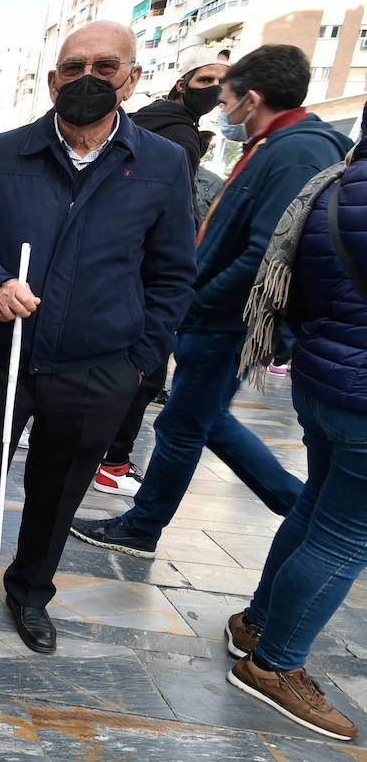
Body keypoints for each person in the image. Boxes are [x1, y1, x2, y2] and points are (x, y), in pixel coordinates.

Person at [0, 21, 196, 653]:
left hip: (98, 367)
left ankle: (31, 593)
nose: (87, 79)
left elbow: (172, 273)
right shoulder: (3, 155)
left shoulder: (161, 163)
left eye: (104, 67)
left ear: (132, 78)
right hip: (1, 356)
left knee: (58, 491)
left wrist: (138, 363)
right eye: (73, 68)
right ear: (52, 79)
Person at [72, 44, 354, 558]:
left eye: (226, 101)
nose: (222, 112)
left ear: (253, 98)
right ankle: (302, 509)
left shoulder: (299, 148)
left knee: (182, 425)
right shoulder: (276, 144)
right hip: (215, 317)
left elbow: (266, 254)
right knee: (202, 420)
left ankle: (146, 526)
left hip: (225, 321)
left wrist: (191, 301)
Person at [224, 106, 367, 741]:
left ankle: (256, 621)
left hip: (320, 381)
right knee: (344, 537)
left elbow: (300, 287)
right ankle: (275, 664)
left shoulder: (333, 184)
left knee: (314, 511)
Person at [90, 54, 230, 497]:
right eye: (206, 78)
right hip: (141, 275)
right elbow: (175, 221)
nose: (216, 89)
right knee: (142, 374)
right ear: (182, 84)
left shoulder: (143, 123)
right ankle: (112, 462)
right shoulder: (179, 136)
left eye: (222, 81)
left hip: (120, 272)